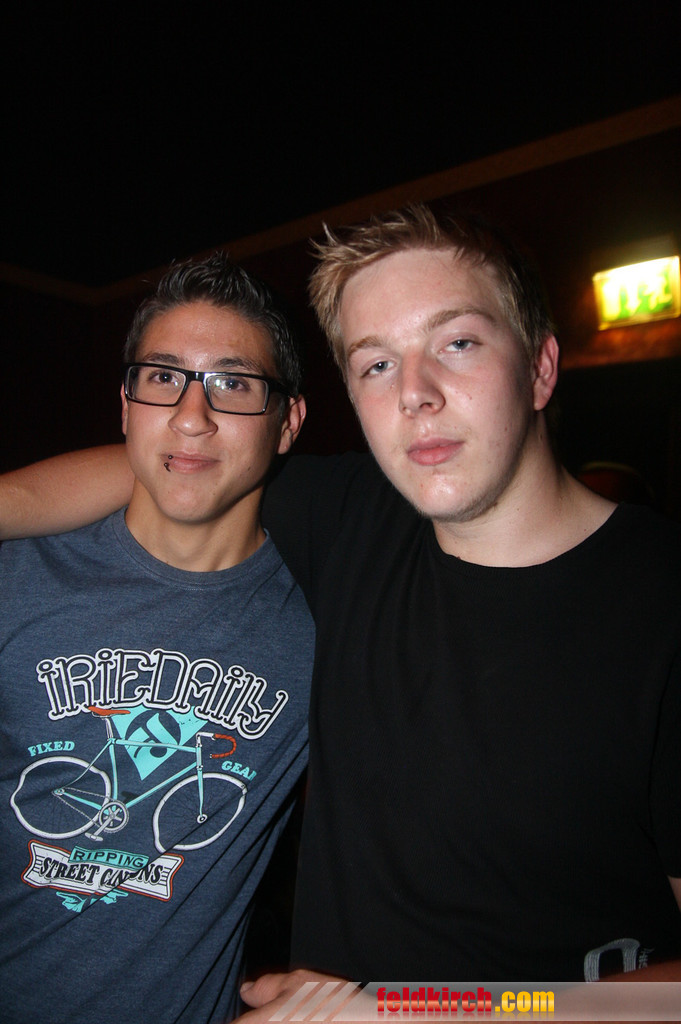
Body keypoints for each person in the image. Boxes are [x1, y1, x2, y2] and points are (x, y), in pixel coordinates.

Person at [2, 207, 680, 1009]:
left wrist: (411, 1013)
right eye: (376, 364)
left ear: (538, 365)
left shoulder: (658, 600)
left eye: (457, 343)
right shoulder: (349, 521)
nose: (416, 395)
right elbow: (186, 455)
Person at [0, 252, 314, 1024]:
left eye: (233, 384)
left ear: (287, 423)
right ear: (126, 406)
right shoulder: (17, 579)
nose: (190, 415)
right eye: (163, 377)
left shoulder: (324, 620)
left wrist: (368, 988)